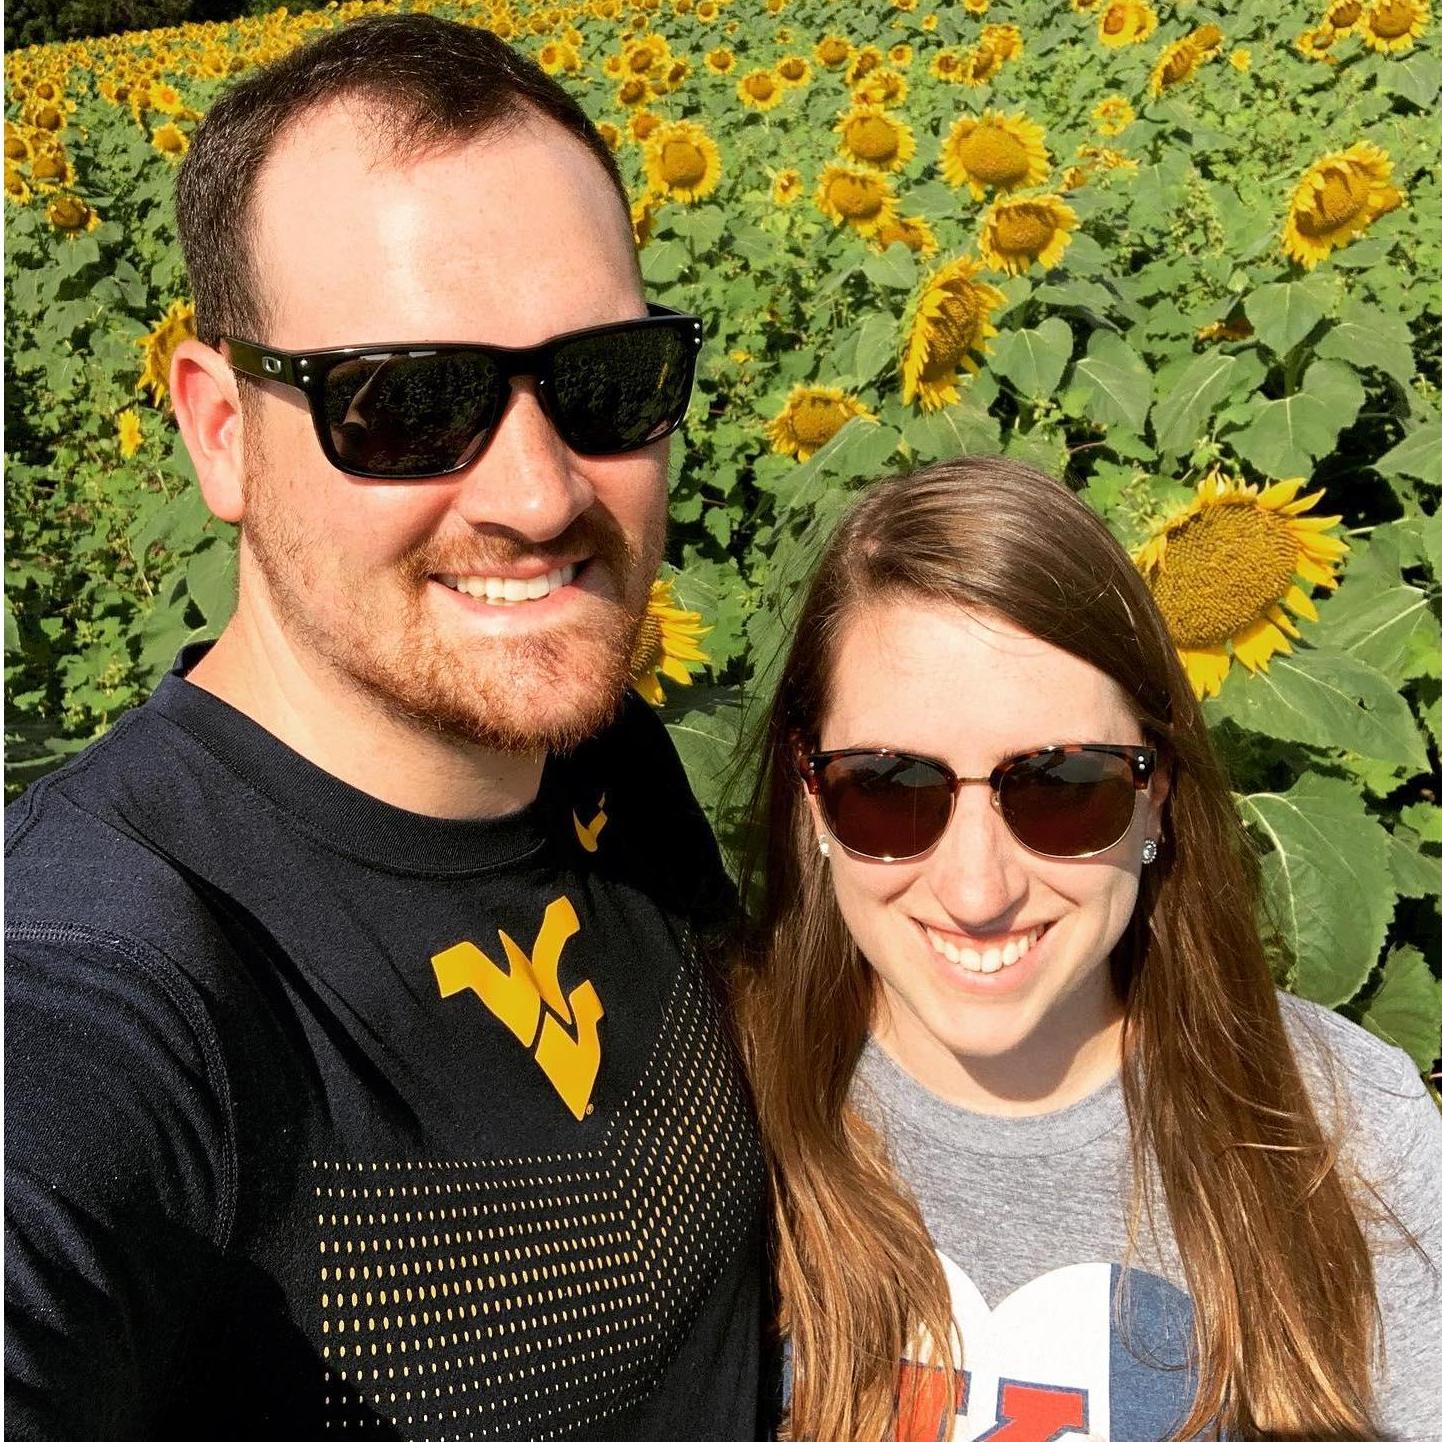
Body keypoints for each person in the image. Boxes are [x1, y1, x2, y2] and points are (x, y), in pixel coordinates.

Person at [4, 16, 770, 1440]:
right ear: (221, 429)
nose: (540, 496)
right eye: (407, 403)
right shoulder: (117, 971)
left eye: (606, 380)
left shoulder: (603, 753)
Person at [735, 459, 1442, 1442]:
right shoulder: (710, 1107)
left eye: (1064, 784)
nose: (977, 888)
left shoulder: (1337, 1132)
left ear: (1154, 793)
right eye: (888, 785)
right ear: (810, 796)